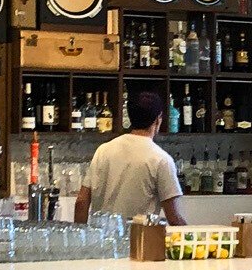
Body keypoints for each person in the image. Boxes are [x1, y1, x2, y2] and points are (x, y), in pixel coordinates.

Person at [73, 90, 187, 226]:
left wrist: (82, 235)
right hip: (138, 241)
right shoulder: (161, 159)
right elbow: (174, 218)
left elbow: (81, 202)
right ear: (158, 119)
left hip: (102, 240)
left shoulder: (103, 150)